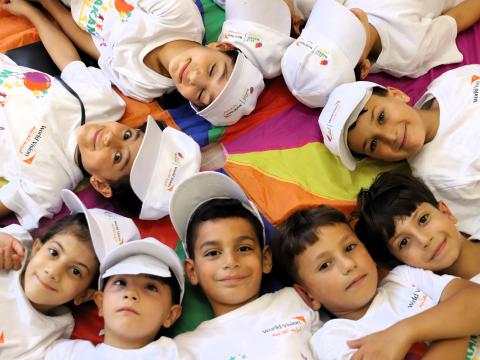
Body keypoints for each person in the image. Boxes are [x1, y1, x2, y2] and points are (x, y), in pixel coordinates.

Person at [22, 0, 293, 126]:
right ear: (220, 46)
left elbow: (94, 45)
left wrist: (48, 5)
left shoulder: (144, 87)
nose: (195, 78)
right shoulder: (179, 15)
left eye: (200, 94)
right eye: (213, 69)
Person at [272, 205, 480, 359]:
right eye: (325, 265)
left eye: (350, 248)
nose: (348, 265)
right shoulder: (334, 338)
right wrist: (456, 325)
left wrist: (404, 333)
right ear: (309, 295)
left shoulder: (404, 277)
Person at [170, 171, 321, 359]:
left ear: (265, 259)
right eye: (213, 253)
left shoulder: (295, 300)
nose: (231, 262)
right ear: (192, 272)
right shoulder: (182, 349)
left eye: (243, 248)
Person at [318, 64, 480, 238]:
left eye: (381, 117)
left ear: (396, 94)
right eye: (373, 144)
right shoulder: (439, 177)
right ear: (377, 158)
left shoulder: (448, 82)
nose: (390, 136)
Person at [0, 189, 140, 359]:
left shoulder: (52, 337)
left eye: (76, 271)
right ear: (37, 248)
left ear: (85, 295)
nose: (53, 272)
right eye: (53, 252)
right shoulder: (12, 246)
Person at [281, 0, 480, 107]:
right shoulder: (408, 52)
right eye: (343, 36)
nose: (345, 18)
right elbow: (459, 16)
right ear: (365, 67)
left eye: (323, 29)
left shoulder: (322, 8)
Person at [45, 236, 188, 359]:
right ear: (100, 302)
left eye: (151, 287)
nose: (131, 294)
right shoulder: (65, 354)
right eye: (120, 282)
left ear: (170, 315)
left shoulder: (179, 355)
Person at [354, 172, 480, 284]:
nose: (424, 240)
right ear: (400, 262)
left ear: (445, 212)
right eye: (404, 242)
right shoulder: (453, 305)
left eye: (423, 219)